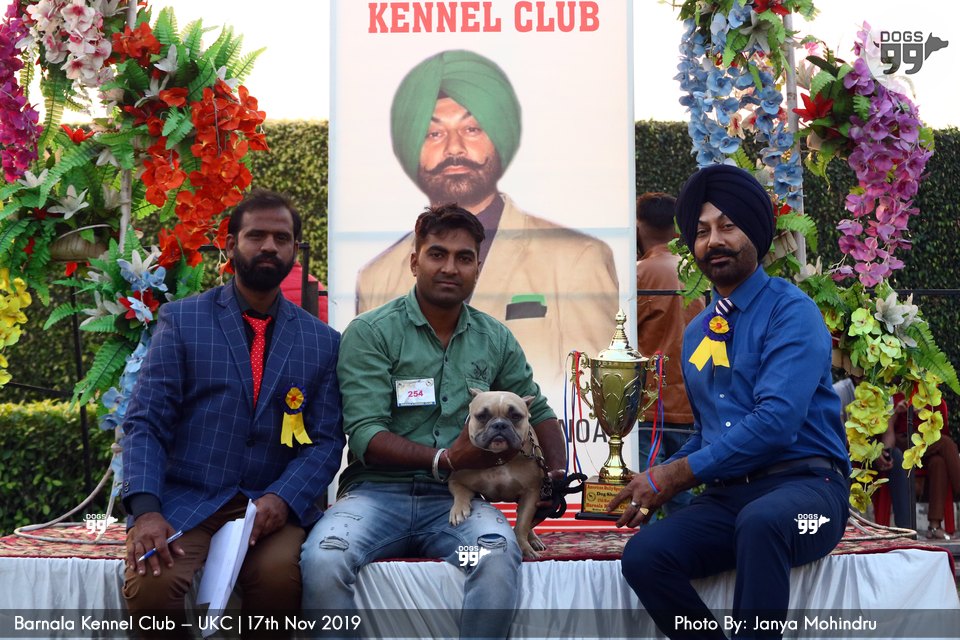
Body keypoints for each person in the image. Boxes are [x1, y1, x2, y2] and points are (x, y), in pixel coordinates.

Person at [302, 204, 567, 638]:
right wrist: (446, 459)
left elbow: (536, 409)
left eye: (464, 258)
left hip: (457, 507)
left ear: (478, 268)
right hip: (375, 499)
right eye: (437, 254)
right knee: (324, 561)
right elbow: (366, 434)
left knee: (493, 558)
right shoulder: (371, 332)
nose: (450, 268)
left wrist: (554, 476)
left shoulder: (494, 337)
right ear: (414, 261)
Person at [609, 165, 850, 639]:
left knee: (762, 522)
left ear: (754, 232)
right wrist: (655, 478)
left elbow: (775, 423)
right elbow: (707, 433)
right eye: (701, 232)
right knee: (644, 555)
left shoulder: (791, 311)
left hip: (811, 497)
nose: (714, 241)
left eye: (728, 226)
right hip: (730, 500)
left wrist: (675, 476)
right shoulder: (698, 330)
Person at [120, 190, 345, 637]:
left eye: (282, 238)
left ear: (294, 250)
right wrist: (145, 511)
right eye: (256, 235)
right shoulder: (183, 321)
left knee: (280, 581)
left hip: (269, 507)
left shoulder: (322, 341)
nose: (269, 246)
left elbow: (325, 441)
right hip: (188, 501)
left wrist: (282, 498)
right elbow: (146, 422)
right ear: (229, 245)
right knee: (152, 586)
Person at [356, 49, 619, 407]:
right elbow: (371, 405)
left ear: (498, 134)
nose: (454, 148)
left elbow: (592, 401)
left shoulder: (577, 258)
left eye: (472, 129)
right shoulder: (376, 277)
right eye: (433, 133)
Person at [635, 192, 704, 515]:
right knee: (681, 496)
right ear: (678, 228)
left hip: (649, 405)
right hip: (690, 401)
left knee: (640, 496)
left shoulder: (639, 274)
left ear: (637, 226)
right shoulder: (697, 272)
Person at [834, 377, 911, 528]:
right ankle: (843, 526)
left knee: (896, 456)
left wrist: (884, 452)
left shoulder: (883, 393)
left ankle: (906, 528)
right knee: (841, 460)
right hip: (849, 451)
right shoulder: (840, 391)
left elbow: (888, 432)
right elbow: (841, 438)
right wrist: (871, 452)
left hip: (875, 450)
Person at [891, 391, 960, 539]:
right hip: (903, 443)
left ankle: (934, 527)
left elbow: (941, 431)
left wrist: (925, 415)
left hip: (927, 444)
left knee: (939, 462)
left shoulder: (934, 398)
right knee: (947, 444)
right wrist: (897, 412)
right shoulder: (895, 394)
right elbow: (887, 429)